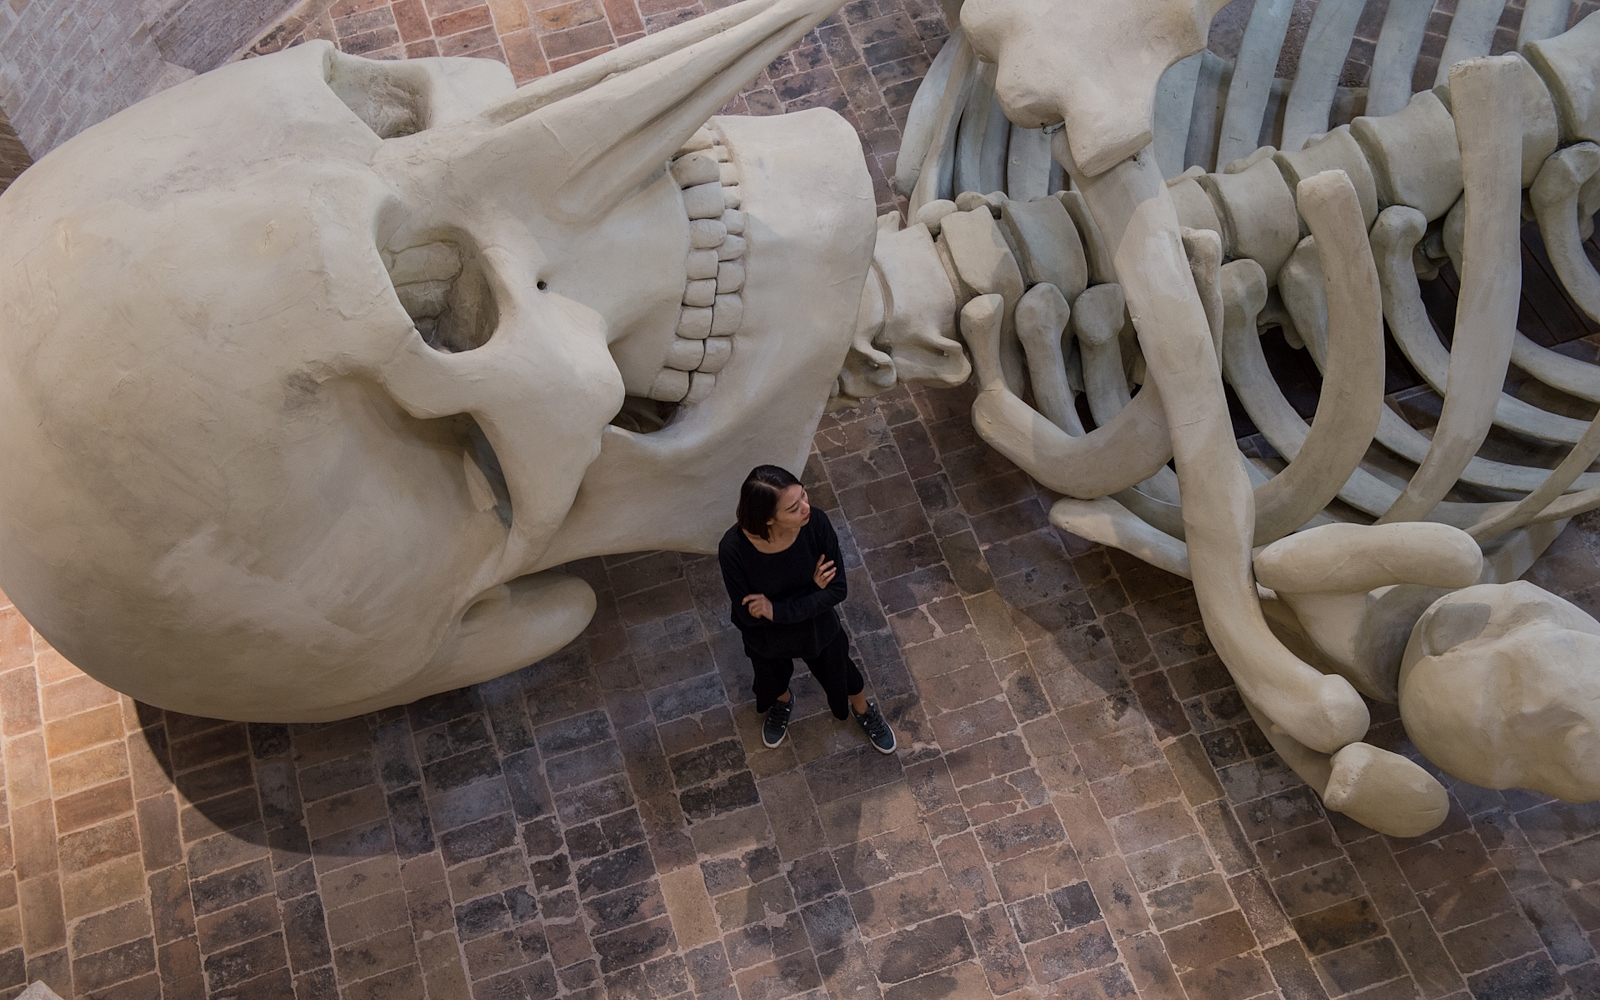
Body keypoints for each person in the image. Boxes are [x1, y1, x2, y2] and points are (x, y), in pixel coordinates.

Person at [718, 465, 896, 753]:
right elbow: (747, 618)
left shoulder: (816, 525)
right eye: (793, 507)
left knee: (842, 672)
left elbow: (837, 589)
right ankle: (783, 702)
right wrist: (812, 593)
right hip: (768, 636)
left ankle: (864, 711)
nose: (806, 507)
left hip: (815, 626)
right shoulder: (733, 550)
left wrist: (776, 609)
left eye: (803, 495)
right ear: (768, 520)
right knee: (771, 677)